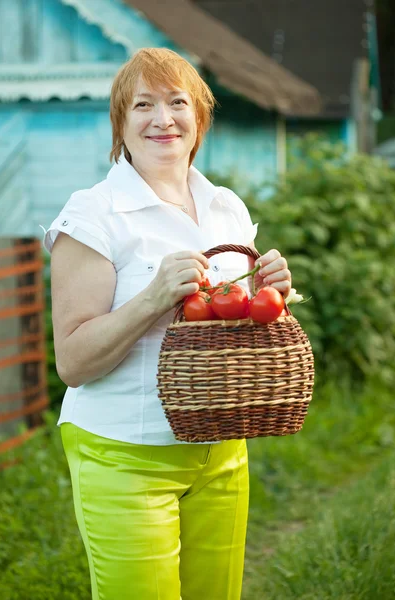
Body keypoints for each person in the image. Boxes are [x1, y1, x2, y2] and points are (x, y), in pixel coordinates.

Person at [42, 47, 291, 600]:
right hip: (124, 453)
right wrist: (154, 297)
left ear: (199, 118)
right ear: (121, 123)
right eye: (143, 105)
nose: (163, 119)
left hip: (222, 449)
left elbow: (236, 330)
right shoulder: (92, 215)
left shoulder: (226, 208)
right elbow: (74, 362)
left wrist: (274, 293)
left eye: (178, 102)